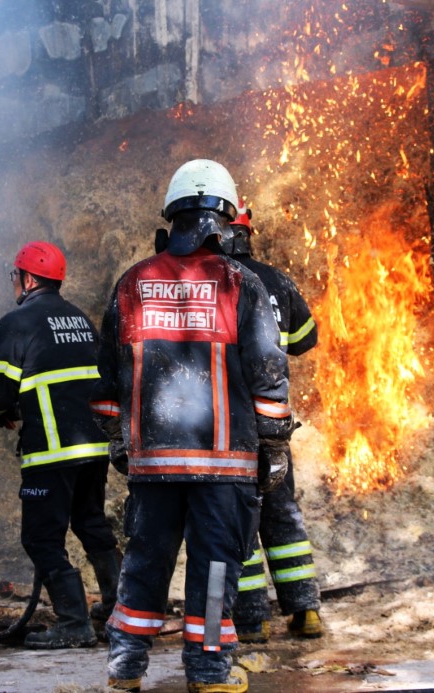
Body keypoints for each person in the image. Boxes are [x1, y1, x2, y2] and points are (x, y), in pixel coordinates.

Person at [92, 160, 294, 693]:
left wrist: (121, 443)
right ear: (223, 220)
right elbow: (268, 372)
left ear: (173, 219)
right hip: (223, 465)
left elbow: (105, 379)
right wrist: (274, 448)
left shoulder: (132, 283)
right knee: (215, 567)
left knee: (145, 561)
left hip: (153, 463)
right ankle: (206, 672)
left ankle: (125, 668)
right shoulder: (238, 282)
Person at [0, 240, 121, 649]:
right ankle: (122, 609)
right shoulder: (79, 319)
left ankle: (74, 623)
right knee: (91, 525)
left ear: (28, 278)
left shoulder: (16, 322)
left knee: (40, 538)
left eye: (15, 275)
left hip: (53, 452)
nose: (13, 282)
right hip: (93, 448)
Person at [224, 202, 324, 643]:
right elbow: (306, 339)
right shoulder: (277, 280)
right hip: (275, 423)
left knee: (236, 517)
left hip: (231, 426)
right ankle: (305, 611)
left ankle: (251, 621)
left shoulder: (217, 281)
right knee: (282, 514)